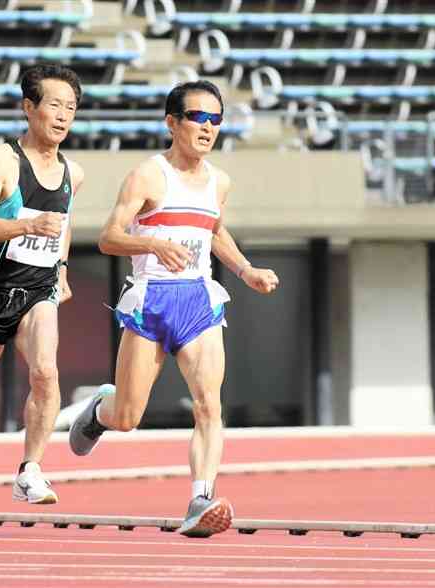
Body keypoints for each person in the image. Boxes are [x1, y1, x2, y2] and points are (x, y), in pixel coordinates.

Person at [69, 80, 279, 537]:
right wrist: (152, 243)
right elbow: (108, 237)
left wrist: (246, 272)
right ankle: (100, 411)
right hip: (152, 297)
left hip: (199, 301)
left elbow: (215, 232)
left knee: (209, 405)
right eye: (198, 117)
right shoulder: (148, 175)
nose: (208, 128)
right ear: (172, 122)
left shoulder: (219, 182)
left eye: (216, 120)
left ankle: (200, 498)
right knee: (128, 416)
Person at [0, 64, 85, 532]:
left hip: (38, 290)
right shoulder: (0, 161)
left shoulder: (73, 172)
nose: (63, 116)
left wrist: (61, 269)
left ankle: (30, 470)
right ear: (29, 108)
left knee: (46, 371)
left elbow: (63, 227)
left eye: (71, 108)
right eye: (54, 105)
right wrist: (26, 224)